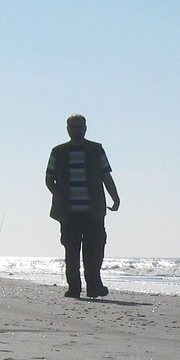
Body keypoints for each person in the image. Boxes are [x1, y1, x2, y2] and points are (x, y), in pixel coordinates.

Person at [45, 114, 120, 298]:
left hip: (93, 211)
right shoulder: (58, 152)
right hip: (69, 213)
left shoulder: (96, 149)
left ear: (85, 128)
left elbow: (106, 175)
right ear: (67, 129)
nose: (76, 130)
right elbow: (49, 179)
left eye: (79, 127)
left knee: (94, 251)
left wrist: (115, 198)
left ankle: (94, 287)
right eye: (73, 127)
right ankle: (74, 288)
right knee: (71, 251)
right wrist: (59, 196)